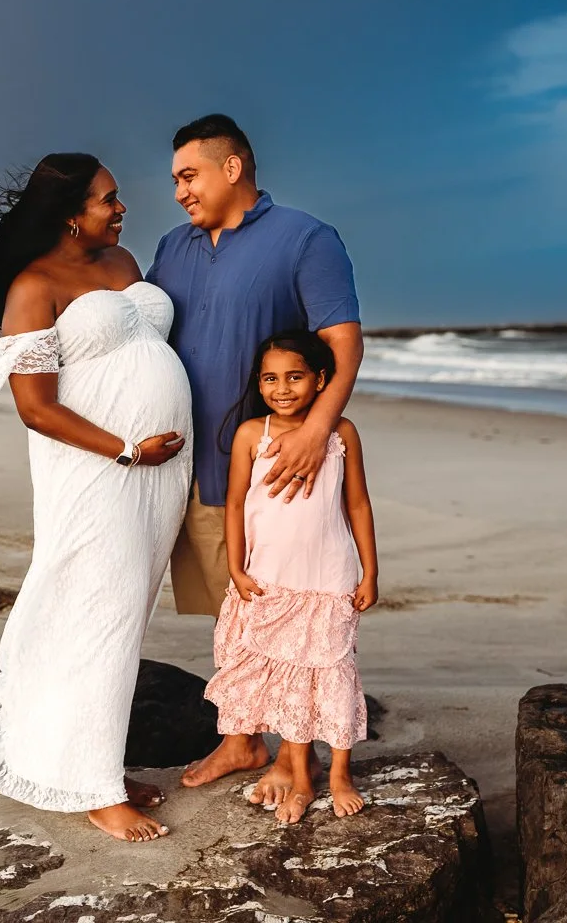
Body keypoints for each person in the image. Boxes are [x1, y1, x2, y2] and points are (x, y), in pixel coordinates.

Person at [0, 153, 192, 842]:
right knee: (97, 613)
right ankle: (92, 786)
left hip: (158, 474)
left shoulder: (124, 263)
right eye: (108, 201)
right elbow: (36, 407)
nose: (121, 210)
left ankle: (93, 763)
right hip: (99, 473)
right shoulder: (35, 285)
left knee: (125, 614)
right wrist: (127, 449)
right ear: (69, 214)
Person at [145, 114, 364, 787]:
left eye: (189, 175)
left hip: (270, 467)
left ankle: (281, 748)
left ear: (232, 168)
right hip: (181, 464)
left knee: (280, 604)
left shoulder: (305, 238)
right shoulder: (172, 248)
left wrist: (316, 428)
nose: (180, 191)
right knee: (232, 609)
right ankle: (245, 739)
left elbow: (343, 341)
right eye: (176, 180)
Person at [207, 331, 380, 822]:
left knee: (330, 671)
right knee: (287, 680)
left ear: (321, 379)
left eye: (295, 377)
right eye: (270, 378)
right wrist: (236, 568)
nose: (281, 388)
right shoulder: (251, 435)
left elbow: (358, 503)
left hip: (329, 578)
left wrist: (371, 571)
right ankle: (301, 778)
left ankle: (341, 772)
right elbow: (237, 504)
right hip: (271, 578)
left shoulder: (341, 432)